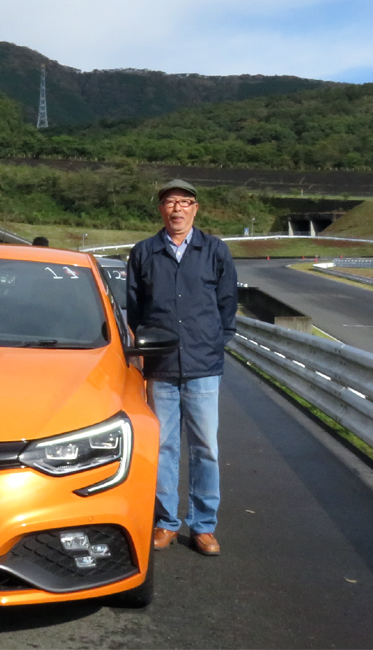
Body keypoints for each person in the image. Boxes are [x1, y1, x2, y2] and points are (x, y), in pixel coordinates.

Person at [126, 179, 237, 557]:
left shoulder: (215, 250)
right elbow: (135, 311)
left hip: (203, 366)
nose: (177, 208)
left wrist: (212, 343)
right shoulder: (144, 252)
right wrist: (145, 350)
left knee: (206, 447)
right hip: (160, 367)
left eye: (185, 202)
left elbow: (227, 306)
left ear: (195, 208)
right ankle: (166, 522)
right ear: (161, 209)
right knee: (163, 446)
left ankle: (204, 526)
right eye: (170, 202)